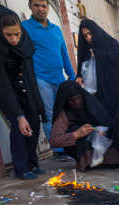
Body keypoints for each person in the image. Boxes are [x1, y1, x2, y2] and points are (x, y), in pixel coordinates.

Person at [0, 5, 46, 180]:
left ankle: (32, 162)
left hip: (22, 81)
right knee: (19, 126)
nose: (14, 39)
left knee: (33, 120)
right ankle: (21, 168)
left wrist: (34, 98)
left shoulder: (24, 36)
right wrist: (18, 115)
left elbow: (29, 67)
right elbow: (2, 82)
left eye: (16, 33)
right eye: (8, 34)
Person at [22, 0, 76, 162]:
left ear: (47, 8)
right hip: (41, 79)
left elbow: (64, 54)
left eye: (44, 6)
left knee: (64, 113)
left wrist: (71, 76)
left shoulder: (56, 29)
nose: (41, 9)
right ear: (30, 6)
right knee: (48, 115)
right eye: (37, 5)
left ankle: (67, 146)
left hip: (60, 79)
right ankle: (58, 149)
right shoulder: (24, 28)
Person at [49, 80, 119, 172]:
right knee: (74, 129)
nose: (77, 102)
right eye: (72, 100)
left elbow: (108, 123)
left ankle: (108, 160)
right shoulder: (64, 113)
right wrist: (77, 134)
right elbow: (54, 141)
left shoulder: (90, 104)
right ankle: (87, 161)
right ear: (66, 100)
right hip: (83, 145)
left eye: (78, 98)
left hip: (103, 143)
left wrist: (102, 131)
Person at [75, 19, 119, 117]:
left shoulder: (111, 44)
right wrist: (79, 75)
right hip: (97, 92)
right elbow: (82, 63)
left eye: (90, 33)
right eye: (85, 36)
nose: (88, 38)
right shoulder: (86, 49)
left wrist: (99, 55)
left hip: (114, 89)